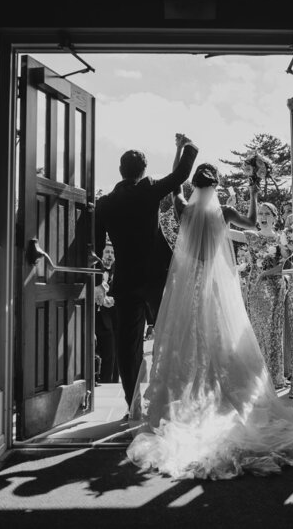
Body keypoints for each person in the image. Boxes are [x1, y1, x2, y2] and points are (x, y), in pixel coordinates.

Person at [127, 163, 293, 480]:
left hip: (189, 289)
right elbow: (254, 222)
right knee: (222, 340)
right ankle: (219, 393)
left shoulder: (184, 210)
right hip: (217, 287)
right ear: (216, 186)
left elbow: (175, 189)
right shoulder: (225, 211)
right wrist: (254, 191)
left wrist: (179, 166)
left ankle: (189, 396)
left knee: (187, 342)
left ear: (195, 186)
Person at [94, 133, 199, 410]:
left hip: (126, 282)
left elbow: (94, 247)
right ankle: (169, 399)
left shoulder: (105, 204)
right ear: (143, 170)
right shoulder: (149, 188)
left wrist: (97, 278)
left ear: (120, 170)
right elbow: (181, 174)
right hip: (156, 278)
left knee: (128, 347)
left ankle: (134, 405)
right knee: (167, 336)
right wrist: (188, 147)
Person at [229, 200, 293, 391]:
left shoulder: (282, 239)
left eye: (267, 213)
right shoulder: (250, 236)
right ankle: (255, 373)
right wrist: (228, 211)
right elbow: (226, 232)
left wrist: (269, 272)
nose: (263, 217)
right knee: (256, 327)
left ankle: (274, 375)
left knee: (273, 331)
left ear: (275, 217)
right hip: (255, 287)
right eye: (260, 213)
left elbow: (285, 262)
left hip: (276, 286)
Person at [94, 241, 119, 384]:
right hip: (94, 319)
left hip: (110, 321)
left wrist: (113, 300)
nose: (110, 255)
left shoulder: (118, 273)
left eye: (112, 252)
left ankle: (108, 383)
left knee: (110, 355)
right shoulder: (95, 270)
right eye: (107, 252)